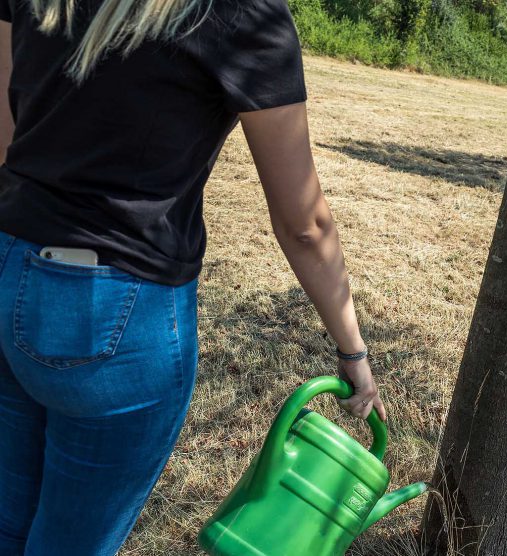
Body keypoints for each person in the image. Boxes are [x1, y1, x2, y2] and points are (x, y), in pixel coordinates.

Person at [0, 0, 386, 554]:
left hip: (10, 261)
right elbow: (304, 224)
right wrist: (354, 352)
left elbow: (7, 141)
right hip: (115, 310)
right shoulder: (241, 14)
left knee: (9, 522)